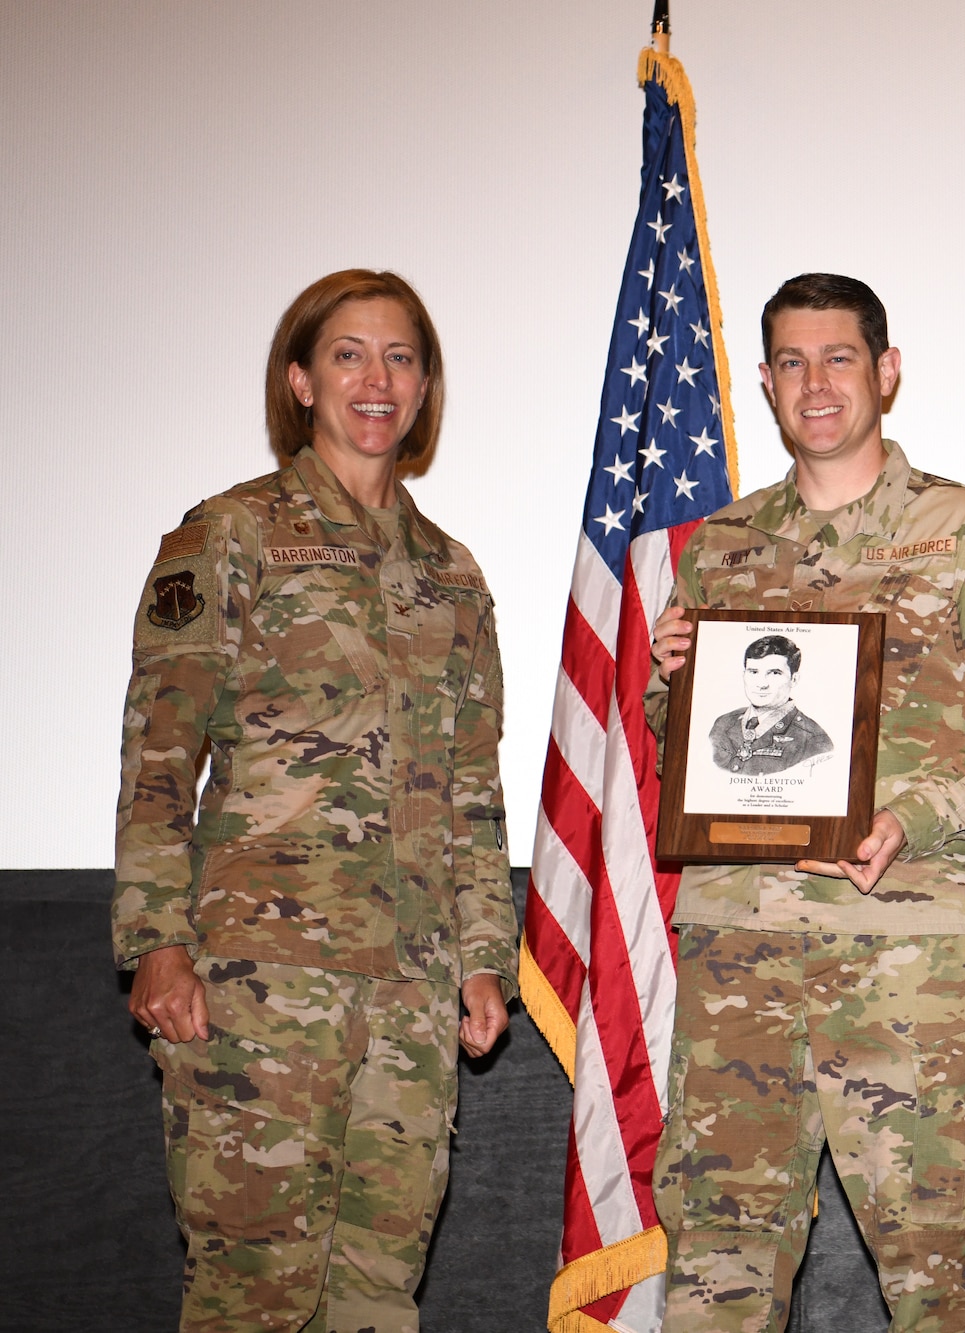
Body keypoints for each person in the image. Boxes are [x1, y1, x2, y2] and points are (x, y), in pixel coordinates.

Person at [646, 273, 965, 1330]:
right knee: (718, 1248)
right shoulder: (719, 548)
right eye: (790, 363)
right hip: (737, 946)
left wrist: (914, 818)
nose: (816, 383)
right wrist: (672, 682)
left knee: (934, 1250)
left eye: (838, 357)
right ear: (763, 382)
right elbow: (688, 757)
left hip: (904, 952)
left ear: (885, 371)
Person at [116, 269, 515, 1333]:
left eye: (400, 358)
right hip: (259, 986)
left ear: (425, 387)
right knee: (253, 1298)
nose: (375, 380)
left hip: (413, 992)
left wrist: (484, 955)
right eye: (348, 355)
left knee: (379, 1299)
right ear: (300, 379)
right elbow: (160, 757)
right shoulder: (232, 534)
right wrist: (154, 940)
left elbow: (473, 785)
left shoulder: (454, 577)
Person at [707, 634, 836, 775]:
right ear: (743, 674)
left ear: (794, 679)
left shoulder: (814, 740)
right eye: (753, 672)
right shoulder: (723, 724)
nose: (761, 684)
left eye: (774, 673)